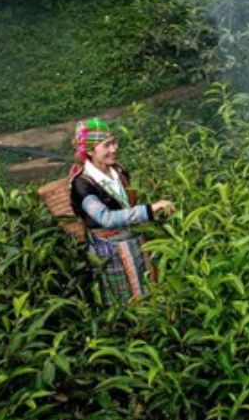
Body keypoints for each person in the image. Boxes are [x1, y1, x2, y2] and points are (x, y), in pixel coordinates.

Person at [68, 118, 173, 303]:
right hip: (110, 250)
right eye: (107, 145)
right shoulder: (82, 184)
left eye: (114, 142)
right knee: (122, 299)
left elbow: (127, 205)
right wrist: (149, 210)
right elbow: (105, 218)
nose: (114, 149)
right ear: (91, 150)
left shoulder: (119, 171)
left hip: (136, 240)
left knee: (149, 289)